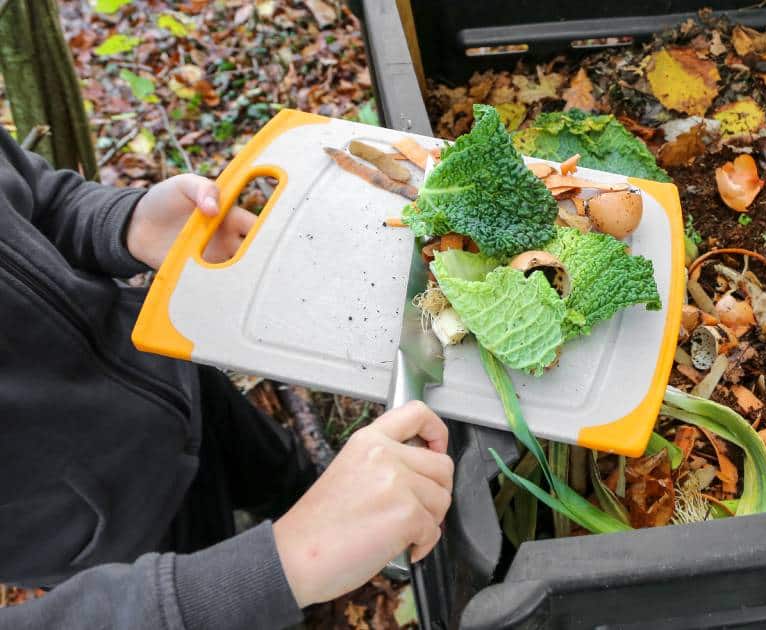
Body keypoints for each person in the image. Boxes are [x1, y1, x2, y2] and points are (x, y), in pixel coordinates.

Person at [0, 127, 453, 629]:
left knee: (280, 471)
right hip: (118, 534)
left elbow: (35, 196)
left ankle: (311, 502)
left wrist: (127, 223)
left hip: (169, 377)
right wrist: (274, 568)